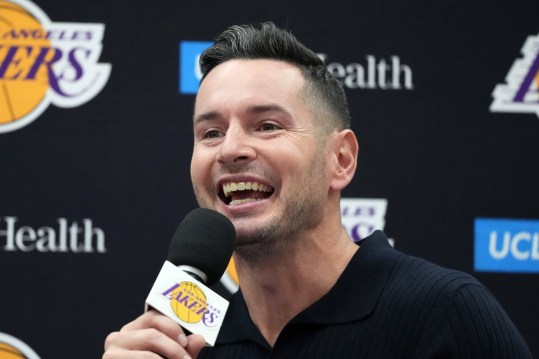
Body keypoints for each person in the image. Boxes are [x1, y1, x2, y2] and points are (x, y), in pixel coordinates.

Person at [103, 22, 532, 359]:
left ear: (341, 160)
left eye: (267, 125)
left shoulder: (445, 313)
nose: (230, 149)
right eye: (211, 132)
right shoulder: (193, 343)